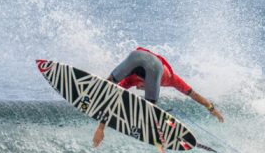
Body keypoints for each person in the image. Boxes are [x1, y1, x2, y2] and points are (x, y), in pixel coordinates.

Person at [92, 47, 224, 147]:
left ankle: (96, 89)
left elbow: (111, 95)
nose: (139, 88)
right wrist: (211, 108)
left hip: (136, 56)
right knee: (149, 107)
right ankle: (155, 127)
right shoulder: (167, 79)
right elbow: (193, 94)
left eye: (140, 86)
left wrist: (101, 127)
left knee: (108, 85)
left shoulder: (169, 79)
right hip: (150, 63)